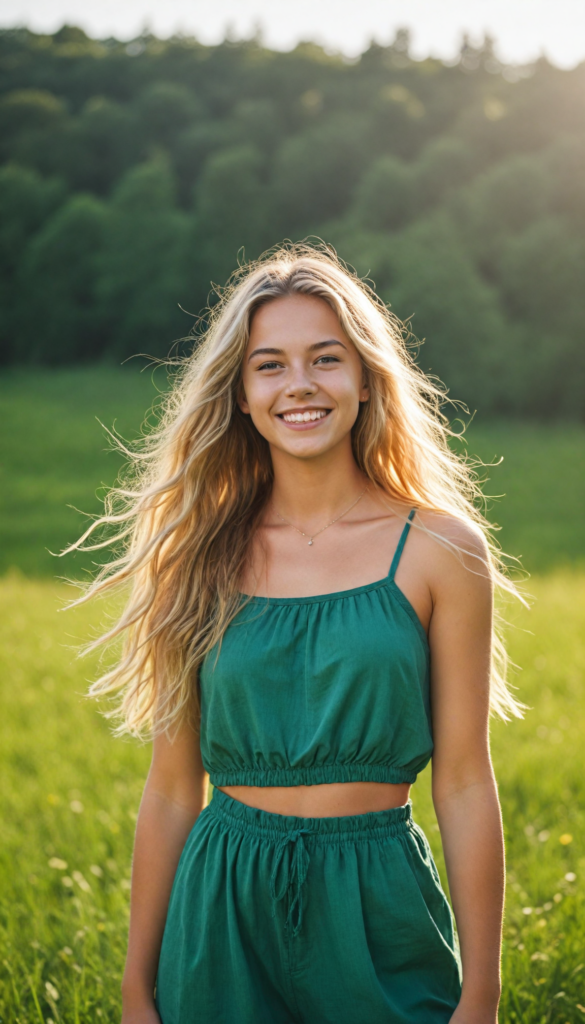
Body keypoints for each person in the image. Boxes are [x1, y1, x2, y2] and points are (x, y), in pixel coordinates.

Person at [66, 243, 524, 1024]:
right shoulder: (196, 556)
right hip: (223, 904)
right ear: (240, 395)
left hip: (377, 898)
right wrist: (135, 991)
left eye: (325, 358)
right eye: (269, 365)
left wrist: (479, 995)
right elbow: (174, 790)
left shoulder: (442, 550)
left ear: (365, 380)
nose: (300, 385)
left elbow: (464, 782)